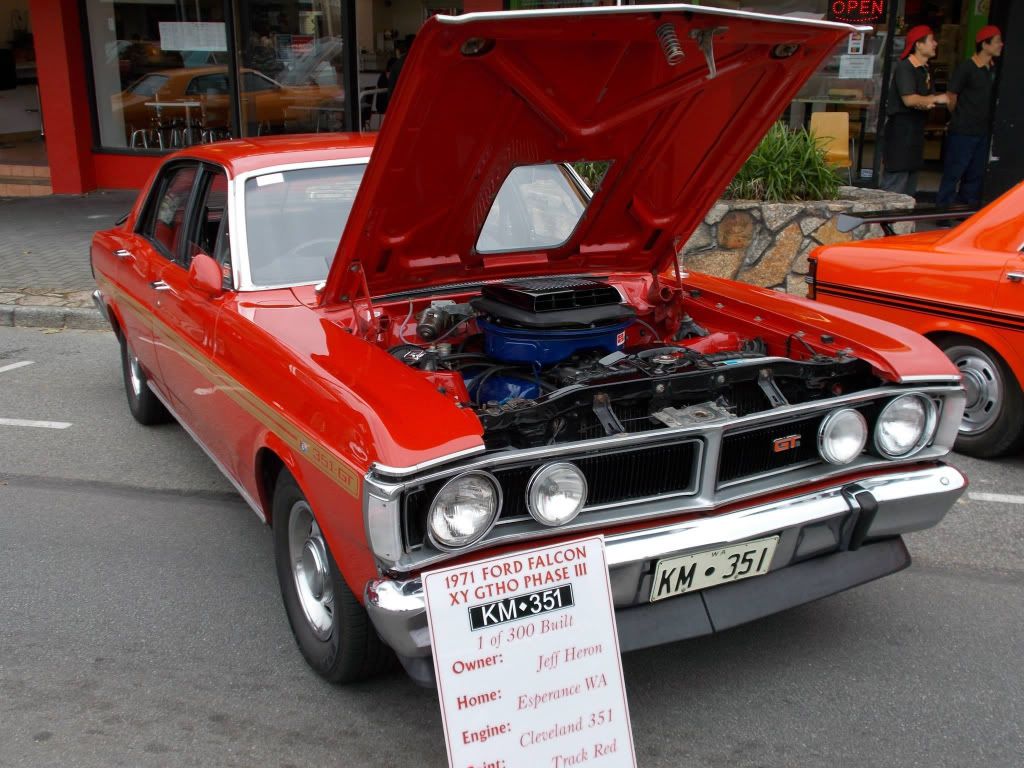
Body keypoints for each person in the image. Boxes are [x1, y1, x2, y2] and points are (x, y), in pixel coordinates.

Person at [936, 25, 1004, 206]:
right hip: (963, 129)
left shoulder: (991, 69)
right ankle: (943, 210)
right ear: (984, 44)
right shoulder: (967, 67)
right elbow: (952, 95)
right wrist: (958, 114)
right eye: (997, 42)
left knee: (975, 173)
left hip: (982, 130)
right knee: (954, 171)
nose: (1001, 45)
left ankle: (965, 210)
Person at [881, 25, 948, 196]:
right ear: (918, 44)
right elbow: (909, 99)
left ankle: (902, 222)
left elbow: (921, 101)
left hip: (915, 130)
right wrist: (934, 99)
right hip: (901, 131)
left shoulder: (924, 69)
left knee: (910, 185)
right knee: (895, 186)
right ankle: (884, 222)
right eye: (931, 40)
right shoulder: (905, 67)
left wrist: (926, 102)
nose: (935, 44)